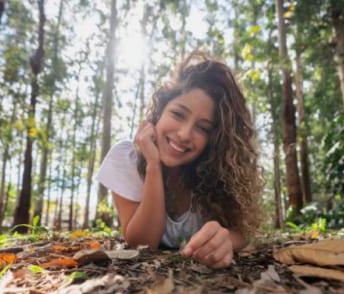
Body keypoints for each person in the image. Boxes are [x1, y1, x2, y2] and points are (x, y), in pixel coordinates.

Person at [97, 51, 264, 269]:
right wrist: (153, 166)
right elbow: (142, 243)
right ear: (158, 113)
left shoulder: (217, 171)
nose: (185, 134)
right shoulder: (125, 158)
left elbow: (244, 234)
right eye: (178, 114)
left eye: (202, 128)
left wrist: (226, 239)